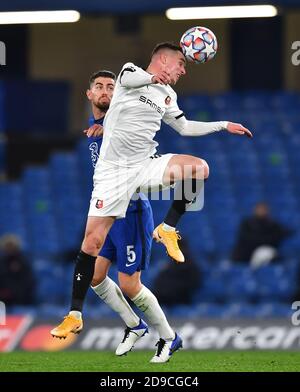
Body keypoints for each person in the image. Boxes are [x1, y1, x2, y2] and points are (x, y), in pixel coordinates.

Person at [51, 42, 252, 359]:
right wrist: (151, 78)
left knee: (199, 168)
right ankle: (74, 314)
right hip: (113, 174)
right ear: (164, 60)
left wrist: (223, 125)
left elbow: (184, 126)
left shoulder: (168, 95)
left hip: (145, 165)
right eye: (181, 64)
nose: (183, 71)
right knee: (91, 245)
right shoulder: (131, 72)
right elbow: (129, 81)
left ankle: (168, 227)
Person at [51, 70, 182, 363]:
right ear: (89, 95)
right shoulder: (94, 124)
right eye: (98, 87)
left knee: (129, 285)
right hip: (109, 209)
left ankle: (169, 336)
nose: (105, 91)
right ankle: (135, 326)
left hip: (132, 211)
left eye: (111, 86)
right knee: (96, 277)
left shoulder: (119, 116)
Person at [231, 202, 294, 267]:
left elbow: (284, 233)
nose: (262, 211)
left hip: (263, 253)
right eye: (260, 209)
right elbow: (247, 239)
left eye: (264, 209)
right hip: (245, 255)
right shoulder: (247, 224)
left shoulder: (272, 225)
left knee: (267, 253)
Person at [152, 239, 201, 306]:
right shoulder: (170, 266)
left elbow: (193, 284)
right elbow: (158, 282)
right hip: (163, 296)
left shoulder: (191, 267)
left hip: (179, 299)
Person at [0, 234, 35, 306]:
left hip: (21, 297)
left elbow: (28, 281)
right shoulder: (2, 261)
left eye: (11, 246)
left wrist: (14, 292)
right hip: (4, 297)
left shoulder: (23, 261)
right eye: (7, 246)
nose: (9, 248)